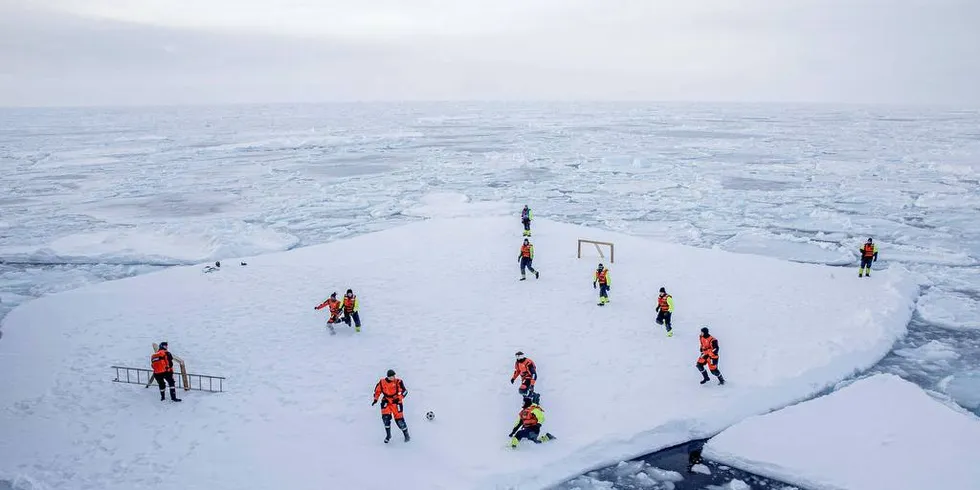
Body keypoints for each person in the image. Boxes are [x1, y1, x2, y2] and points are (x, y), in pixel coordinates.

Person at [372, 369, 410, 443]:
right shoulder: (382, 382)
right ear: (388, 377)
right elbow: (377, 391)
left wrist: (399, 398)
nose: (393, 377)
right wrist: (375, 399)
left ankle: (406, 435)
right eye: (391, 376)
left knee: (400, 421)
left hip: (396, 403)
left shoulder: (398, 381)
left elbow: (405, 391)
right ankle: (388, 435)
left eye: (394, 376)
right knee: (385, 419)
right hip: (386, 401)